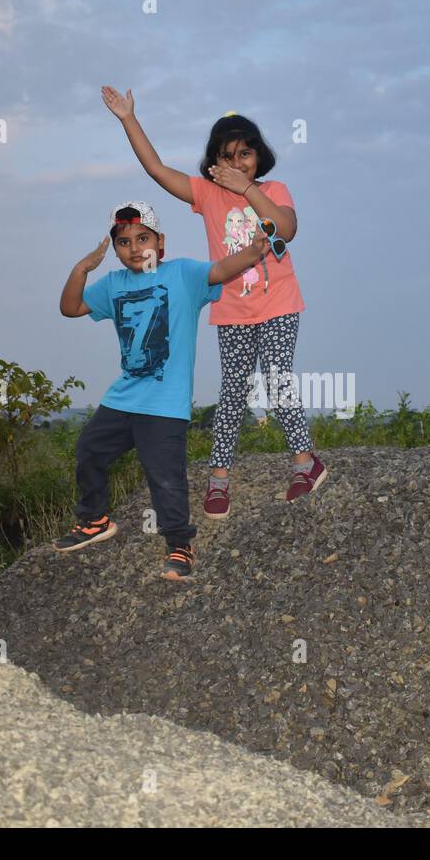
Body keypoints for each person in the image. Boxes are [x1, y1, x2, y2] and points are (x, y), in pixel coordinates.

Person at [102, 86, 327, 520]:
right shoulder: (206, 195)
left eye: (245, 154)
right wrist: (128, 118)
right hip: (232, 310)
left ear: (258, 156)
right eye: (227, 156)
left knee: (278, 379)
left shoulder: (274, 188)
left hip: (279, 303)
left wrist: (248, 189)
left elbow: (286, 229)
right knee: (233, 391)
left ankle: (305, 463)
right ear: (214, 161)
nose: (237, 162)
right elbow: (155, 169)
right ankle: (219, 477)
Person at [53, 200, 268, 581]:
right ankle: (95, 520)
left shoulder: (183, 275)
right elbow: (70, 308)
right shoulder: (114, 285)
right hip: (123, 398)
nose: (134, 248)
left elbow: (220, 269)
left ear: (160, 241)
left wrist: (253, 251)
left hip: (165, 404)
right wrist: (82, 268)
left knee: (165, 477)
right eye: (124, 242)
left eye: (143, 238)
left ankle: (180, 545)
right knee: (89, 449)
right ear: (115, 248)